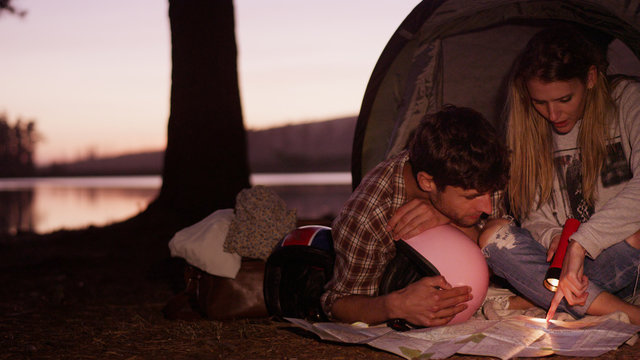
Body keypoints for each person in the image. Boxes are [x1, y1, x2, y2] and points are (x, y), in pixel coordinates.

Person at [479, 25, 640, 324]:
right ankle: (626, 314)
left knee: (636, 236)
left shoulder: (628, 100)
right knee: (493, 235)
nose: (553, 115)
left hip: (622, 258)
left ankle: (532, 296)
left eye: (564, 99)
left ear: (590, 78)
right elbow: (533, 214)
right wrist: (554, 237)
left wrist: (581, 243)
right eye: (540, 102)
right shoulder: (527, 129)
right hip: (566, 269)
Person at [320, 105, 510, 327]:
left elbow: (505, 252)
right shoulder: (367, 215)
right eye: (471, 197)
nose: (487, 207)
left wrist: (449, 220)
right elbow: (337, 304)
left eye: (490, 193)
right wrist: (394, 306)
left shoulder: (482, 171)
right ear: (427, 182)